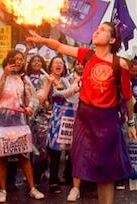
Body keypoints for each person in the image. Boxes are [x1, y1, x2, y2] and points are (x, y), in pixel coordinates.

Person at [26, 22, 136, 204]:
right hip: (85, 118)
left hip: (107, 121)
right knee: (81, 161)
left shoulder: (120, 64)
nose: (96, 31)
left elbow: (127, 96)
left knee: (106, 172)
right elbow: (60, 46)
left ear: (112, 39)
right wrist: (41, 40)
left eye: (102, 30)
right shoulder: (87, 55)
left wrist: (131, 123)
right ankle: (76, 188)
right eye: (96, 28)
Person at [0, 50, 44, 202]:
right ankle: (2, 190)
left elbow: (32, 97)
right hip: (1, 121)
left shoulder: (24, 78)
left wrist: (30, 108)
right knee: (2, 155)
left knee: (24, 155)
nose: (19, 62)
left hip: (19, 120)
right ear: (9, 59)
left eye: (21, 59)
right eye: (16, 58)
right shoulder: (0, 73)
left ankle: (32, 188)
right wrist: (5, 75)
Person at [37, 56, 79, 198]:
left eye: (61, 63)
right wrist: (50, 84)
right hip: (47, 119)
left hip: (66, 119)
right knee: (46, 152)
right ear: (50, 66)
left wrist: (73, 87)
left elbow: (72, 98)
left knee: (64, 151)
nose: (59, 65)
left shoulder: (66, 80)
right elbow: (41, 99)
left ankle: (59, 179)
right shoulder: (44, 79)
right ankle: (40, 179)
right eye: (56, 63)